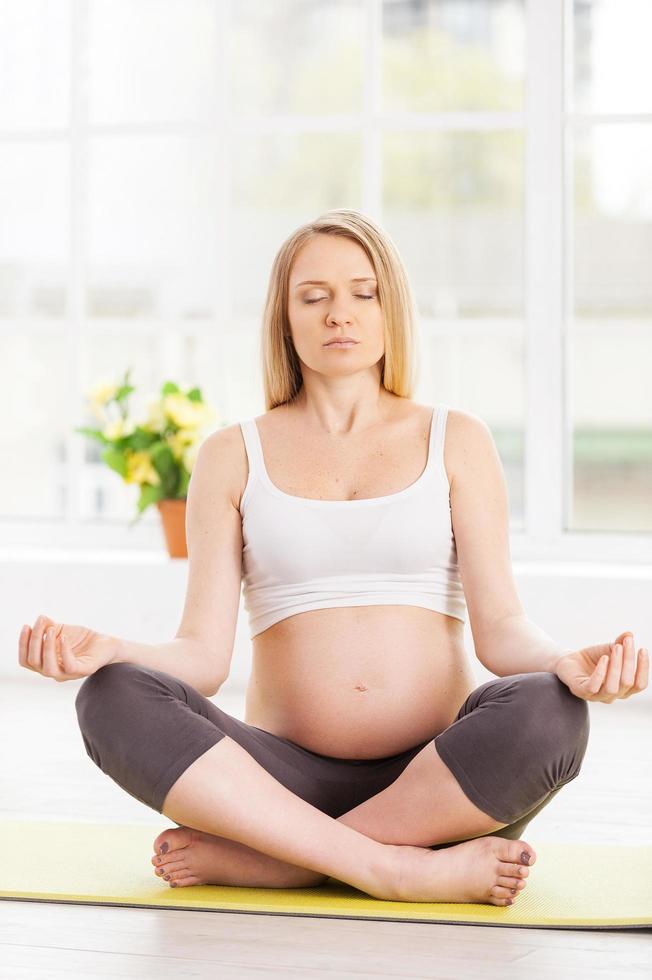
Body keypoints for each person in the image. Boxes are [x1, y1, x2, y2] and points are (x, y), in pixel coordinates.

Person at [19, 209, 647, 906]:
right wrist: (108, 648)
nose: (338, 314)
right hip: (276, 783)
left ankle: (284, 862)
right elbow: (203, 657)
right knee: (110, 696)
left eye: (362, 293)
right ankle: (392, 868)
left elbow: (501, 630)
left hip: (439, 784)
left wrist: (563, 662)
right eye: (313, 298)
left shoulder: (457, 440)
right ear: (284, 320)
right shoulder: (231, 455)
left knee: (552, 713)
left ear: (390, 312)